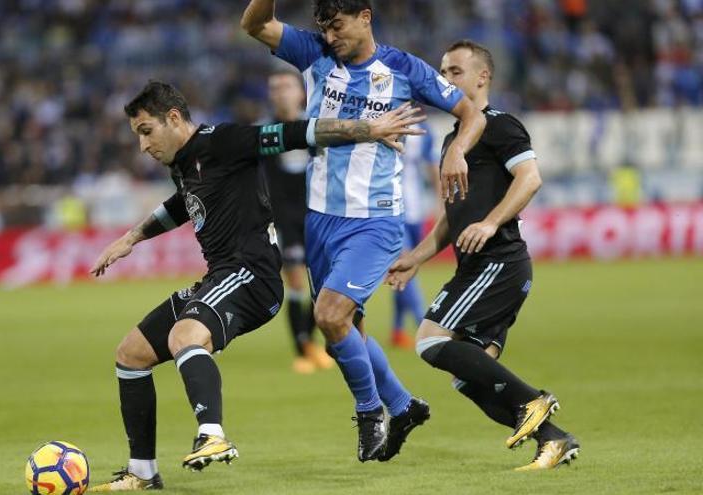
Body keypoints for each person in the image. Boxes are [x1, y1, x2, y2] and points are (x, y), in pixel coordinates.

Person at [88, 80, 426, 491]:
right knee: (131, 354)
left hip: (252, 275)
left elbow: (298, 133)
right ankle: (142, 471)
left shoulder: (225, 140)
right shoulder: (184, 163)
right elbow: (182, 204)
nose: (143, 146)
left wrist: (367, 129)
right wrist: (130, 239)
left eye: (146, 132)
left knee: (185, 335)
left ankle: (212, 435)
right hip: (220, 277)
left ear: (173, 118)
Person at [242, 0, 486, 461]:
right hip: (319, 221)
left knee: (330, 316)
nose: (331, 38)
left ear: (366, 17)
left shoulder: (405, 69)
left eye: (337, 27)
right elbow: (254, 23)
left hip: (374, 221)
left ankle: (370, 410)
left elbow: (471, 113)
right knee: (347, 330)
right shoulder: (312, 52)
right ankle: (403, 404)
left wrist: (456, 152)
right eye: (325, 29)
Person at [386, 40, 580, 471]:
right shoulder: (453, 141)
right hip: (478, 265)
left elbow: (530, 179)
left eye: (455, 71)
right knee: (470, 376)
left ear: (482, 77)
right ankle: (553, 440)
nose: (445, 80)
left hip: (499, 262)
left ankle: (534, 401)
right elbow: (450, 219)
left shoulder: (500, 125)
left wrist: (491, 223)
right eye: (442, 73)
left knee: (431, 340)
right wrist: (416, 258)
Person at [262, 69, 334, 374]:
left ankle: (312, 343)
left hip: (316, 214)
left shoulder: (314, 127)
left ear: (300, 91)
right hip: (283, 220)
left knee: (323, 283)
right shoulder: (263, 133)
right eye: (274, 87)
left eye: (286, 86)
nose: (280, 92)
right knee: (294, 282)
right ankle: (303, 351)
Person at [391, 121, 441, 350]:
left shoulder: (423, 130)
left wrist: (441, 202)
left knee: (403, 268)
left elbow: (432, 167)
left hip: (415, 211)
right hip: (390, 211)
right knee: (407, 264)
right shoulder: (382, 120)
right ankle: (422, 321)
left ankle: (398, 329)